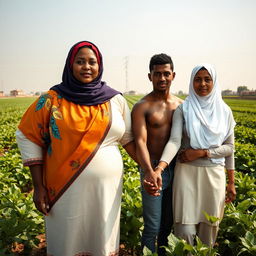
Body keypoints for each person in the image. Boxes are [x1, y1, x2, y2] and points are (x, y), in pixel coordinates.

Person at [16, 40, 137, 256]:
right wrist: (38, 187)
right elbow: (27, 135)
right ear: (70, 65)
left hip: (106, 190)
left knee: (102, 236)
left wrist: (152, 167)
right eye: (80, 61)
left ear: (99, 66)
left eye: (92, 62)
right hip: (64, 188)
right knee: (67, 239)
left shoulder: (115, 100)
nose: (87, 67)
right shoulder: (51, 100)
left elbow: (128, 139)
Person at [150, 63, 236, 247]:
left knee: (209, 229)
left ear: (214, 82)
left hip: (214, 177)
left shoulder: (224, 111)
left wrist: (230, 181)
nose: (202, 84)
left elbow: (229, 148)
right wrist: (159, 168)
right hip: (186, 176)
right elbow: (174, 141)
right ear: (191, 82)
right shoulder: (184, 109)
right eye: (197, 79)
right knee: (184, 231)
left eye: (207, 79)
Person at [131, 53, 183, 254]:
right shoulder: (142, 106)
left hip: (177, 169)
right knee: (152, 225)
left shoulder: (181, 105)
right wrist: (149, 172)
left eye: (166, 73)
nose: (162, 78)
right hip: (152, 168)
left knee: (168, 224)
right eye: (157, 74)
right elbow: (140, 142)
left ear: (173, 75)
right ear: (149, 76)